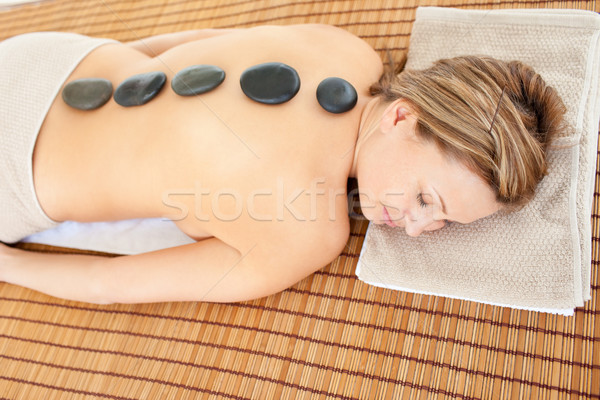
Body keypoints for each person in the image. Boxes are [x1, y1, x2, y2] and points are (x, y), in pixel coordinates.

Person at [0, 25, 566, 304]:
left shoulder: (344, 50)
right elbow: (108, 283)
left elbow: (176, 48)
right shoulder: (309, 231)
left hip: (51, 54)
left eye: (443, 223)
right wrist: (8, 266)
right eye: (425, 198)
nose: (418, 229)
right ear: (403, 118)